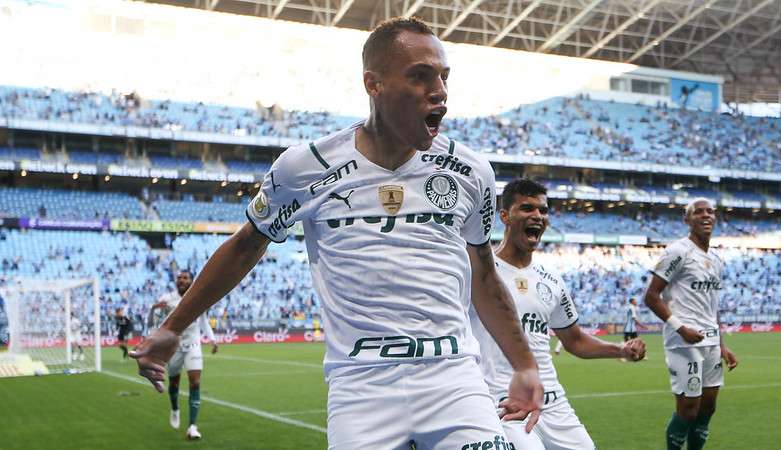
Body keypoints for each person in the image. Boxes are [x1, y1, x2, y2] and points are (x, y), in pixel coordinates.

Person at [133, 17, 544, 449]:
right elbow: (244, 247)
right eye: (420, 76)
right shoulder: (304, 168)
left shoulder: (470, 171)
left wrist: (524, 364)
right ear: (374, 83)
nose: (439, 91)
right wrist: (174, 326)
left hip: (454, 379)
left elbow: (483, 275)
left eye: (443, 77)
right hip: (360, 388)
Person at [471, 178, 646, 450]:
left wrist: (620, 350)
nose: (537, 216)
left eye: (543, 210)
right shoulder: (482, 273)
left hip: (553, 401)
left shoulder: (550, 279)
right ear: (504, 216)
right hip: (503, 401)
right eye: (527, 208)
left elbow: (574, 340)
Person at [644, 198, 738, 450]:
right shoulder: (678, 252)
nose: (706, 215)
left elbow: (712, 305)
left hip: (710, 341)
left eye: (710, 211)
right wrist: (680, 328)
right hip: (683, 340)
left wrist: (722, 345)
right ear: (687, 220)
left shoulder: (717, 259)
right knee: (688, 408)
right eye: (698, 212)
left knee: (708, 407)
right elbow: (651, 296)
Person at [148, 270, 218, 440]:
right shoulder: (166, 299)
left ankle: (192, 427)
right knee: (174, 383)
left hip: (193, 344)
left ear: (191, 281)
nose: (181, 280)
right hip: (173, 346)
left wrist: (213, 339)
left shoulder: (198, 297)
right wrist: (153, 310)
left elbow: (203, 321)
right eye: (179, 277)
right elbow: (154, 322)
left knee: (195, 383)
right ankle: (175, 408)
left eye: (185, 278)